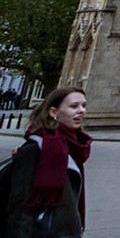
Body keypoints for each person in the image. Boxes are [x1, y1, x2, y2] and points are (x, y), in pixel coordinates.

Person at [1, 86, 90, 236]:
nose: (81, 110)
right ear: (53, 112)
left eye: (84, 105)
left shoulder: (71, 146)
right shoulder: (37, 149)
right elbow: (21, 208)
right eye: (74, 106)